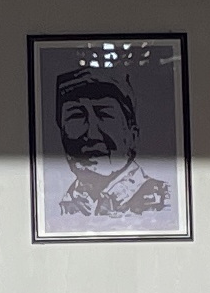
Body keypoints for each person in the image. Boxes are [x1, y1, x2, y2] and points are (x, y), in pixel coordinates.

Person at [50, 65, 173, 224]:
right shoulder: (58, 208)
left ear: (133, 135)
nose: (92, 134)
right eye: (76, 117)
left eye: (105, 115)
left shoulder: (164, 202)